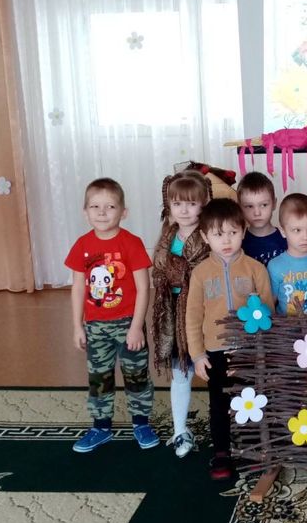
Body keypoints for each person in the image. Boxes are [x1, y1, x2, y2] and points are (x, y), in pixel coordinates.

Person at [65, 178, 158, 453]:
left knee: (136, 375)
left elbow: (143, 288)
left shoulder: (132, 243)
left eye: (110, 206)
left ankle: (141, 423)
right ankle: (101, 427)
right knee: (99, 378)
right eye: (95, 206)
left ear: (123, 212)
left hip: (128, 324)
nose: (102, 212)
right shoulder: (82, 245)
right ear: (85, 212)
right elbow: (78, 288)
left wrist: (137, 327)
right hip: (95, 327)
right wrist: (77, 326)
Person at [186, 198, 275, 480]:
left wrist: (265, 348)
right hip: (215, 351)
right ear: (205, 237)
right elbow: (192, 316)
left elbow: (270, 311)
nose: (226, 240)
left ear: (244, 230)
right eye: (218, 234)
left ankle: (253, 446)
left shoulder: (255, 269)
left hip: (249, 350)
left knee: (253, 398)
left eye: (233, 232)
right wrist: (197, 354)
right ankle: (222, 451)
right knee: (219, 403)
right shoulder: (200, 273)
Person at [151, 170, 211, 457]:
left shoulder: (208, 236)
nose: (184, 210)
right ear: (169, 206)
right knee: (180, 373)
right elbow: (159, 269)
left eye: (191, 203)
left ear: (203, 204)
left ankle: (228, 427)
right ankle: (179, 430)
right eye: (177, 204)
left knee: (213, 368)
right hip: (173, 311)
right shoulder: (167, 236)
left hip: (203, 308)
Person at [268, 193, 307, 316]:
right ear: (283, 231)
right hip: (287, 327)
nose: (305, 237)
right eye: (297, 230)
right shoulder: (275, 265)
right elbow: (270, 303)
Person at [238, 171, 286, 266]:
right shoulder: (238, 242)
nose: (257, 213)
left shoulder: (286, 238)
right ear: (240, 207)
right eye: (249, 206)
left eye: (263, 205)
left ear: (274, 203)